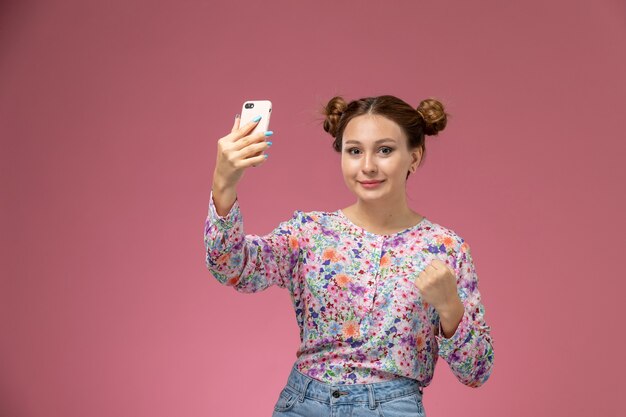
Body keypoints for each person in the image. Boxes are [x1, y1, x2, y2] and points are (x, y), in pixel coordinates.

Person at [204, 95, 495, 416]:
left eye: (385, 150)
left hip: (393, 406)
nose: (367, 166)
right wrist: (223, 185)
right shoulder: (309, 232)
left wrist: (450, 308)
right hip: (303, 403)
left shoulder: (444, 247)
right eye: (354, 151)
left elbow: (476, 372)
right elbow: (231, 267)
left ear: (414, 157)